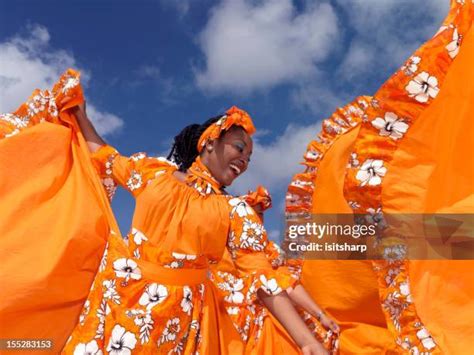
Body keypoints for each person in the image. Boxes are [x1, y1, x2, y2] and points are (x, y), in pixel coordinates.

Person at [58, 98, 331, 354]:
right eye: (239, 148)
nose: (244, 162)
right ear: (210, 141)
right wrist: (80, 114)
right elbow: (107, 157)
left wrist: (307, 341)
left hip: (182, 321)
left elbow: (264, 278)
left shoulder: (234, 211)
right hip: (119, 301)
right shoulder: (154, 174)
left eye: (249, 158)